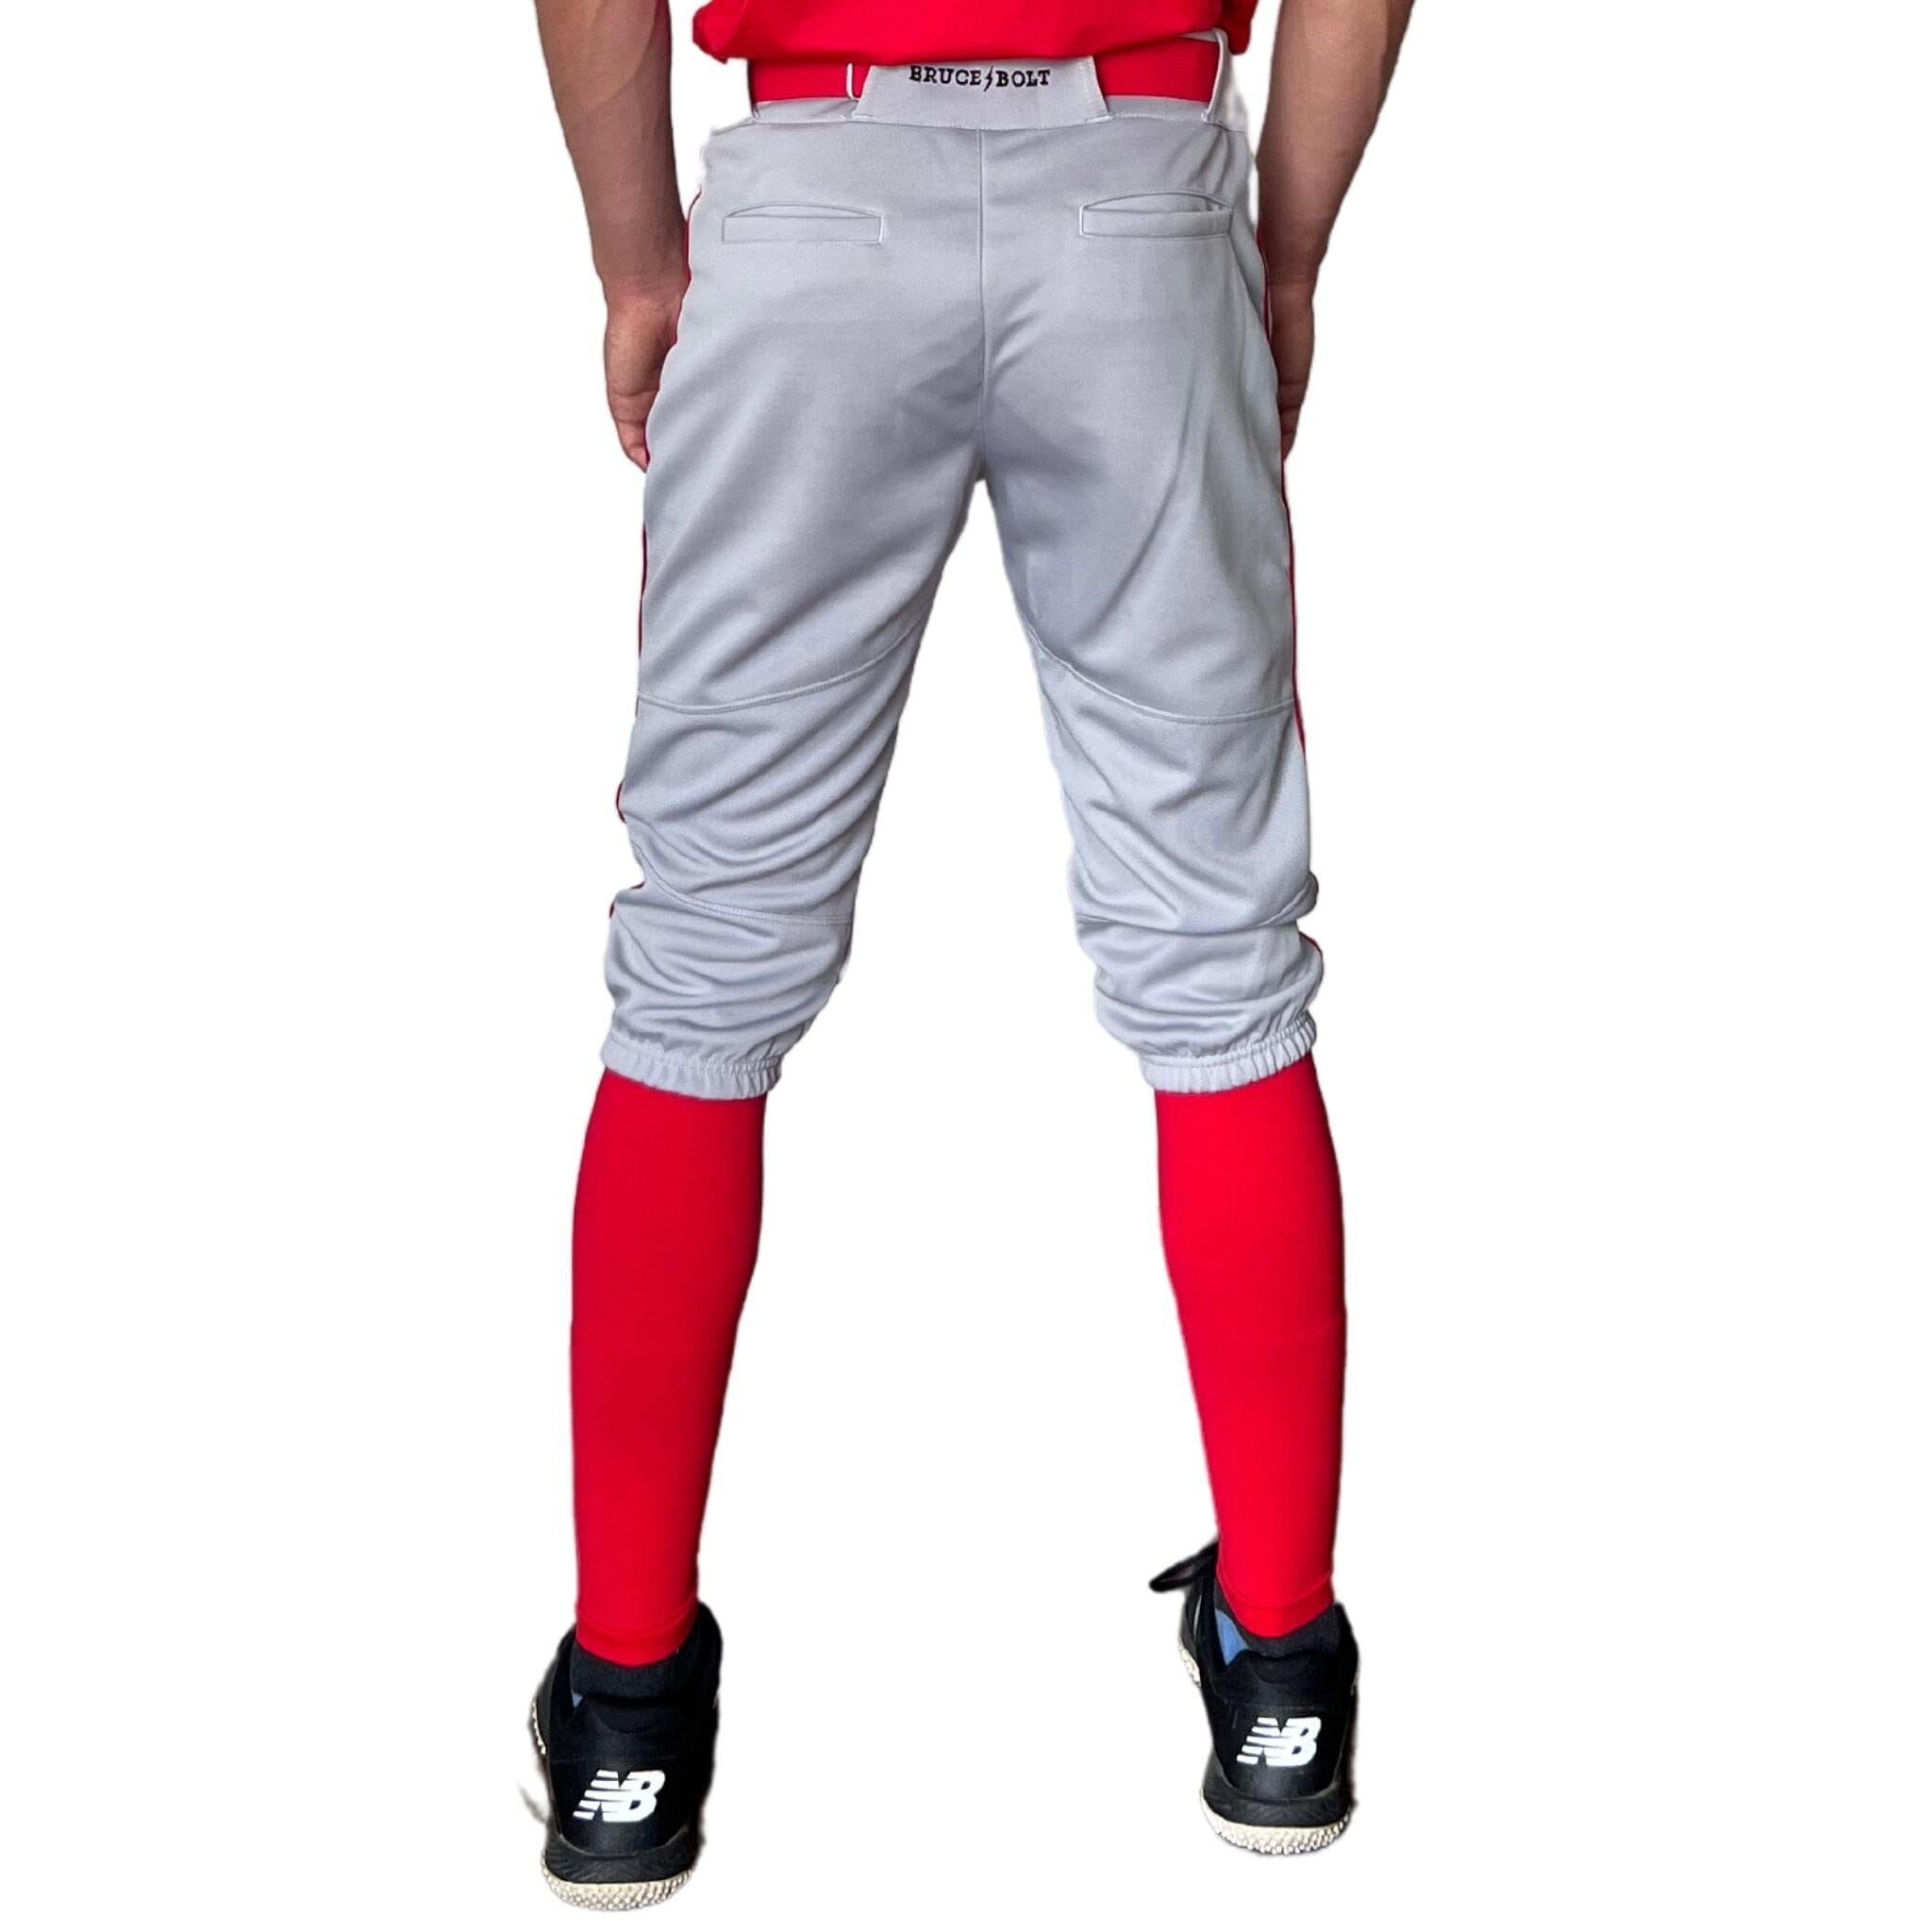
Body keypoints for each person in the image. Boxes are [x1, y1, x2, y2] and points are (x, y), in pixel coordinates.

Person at [526, 0, 1413, 1905]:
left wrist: (635, 266)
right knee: (1219, 955)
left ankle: (625, 1715)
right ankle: (1281, 1674)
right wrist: (1283, 256)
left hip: (814, 198)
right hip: (1141, 196)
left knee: (704, 964)